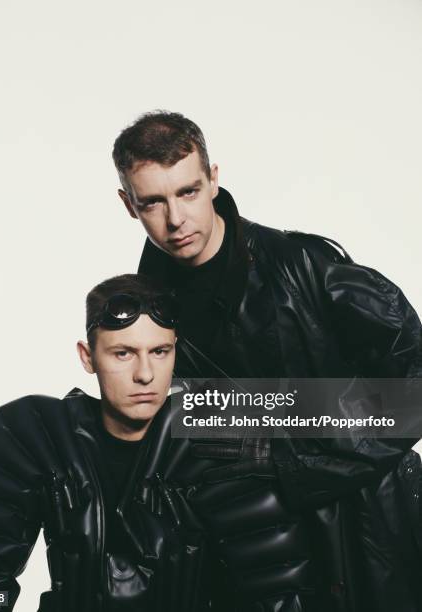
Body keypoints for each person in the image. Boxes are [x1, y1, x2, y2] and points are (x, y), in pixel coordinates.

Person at [112, 112, 422, 611]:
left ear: (214, 179)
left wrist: (287, 456)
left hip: (363, 533)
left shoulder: (305, 269)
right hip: (248, 553)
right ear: (129, 205)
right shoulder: (145, 309)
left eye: (188, 191)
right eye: (153, 201)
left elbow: (413, 392)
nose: (175, 219)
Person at [0, 274, 207, 612]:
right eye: (123, 353)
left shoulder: (212, 433)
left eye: (159, 351)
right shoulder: (33, 436)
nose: (145, 374)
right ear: (87, 357)